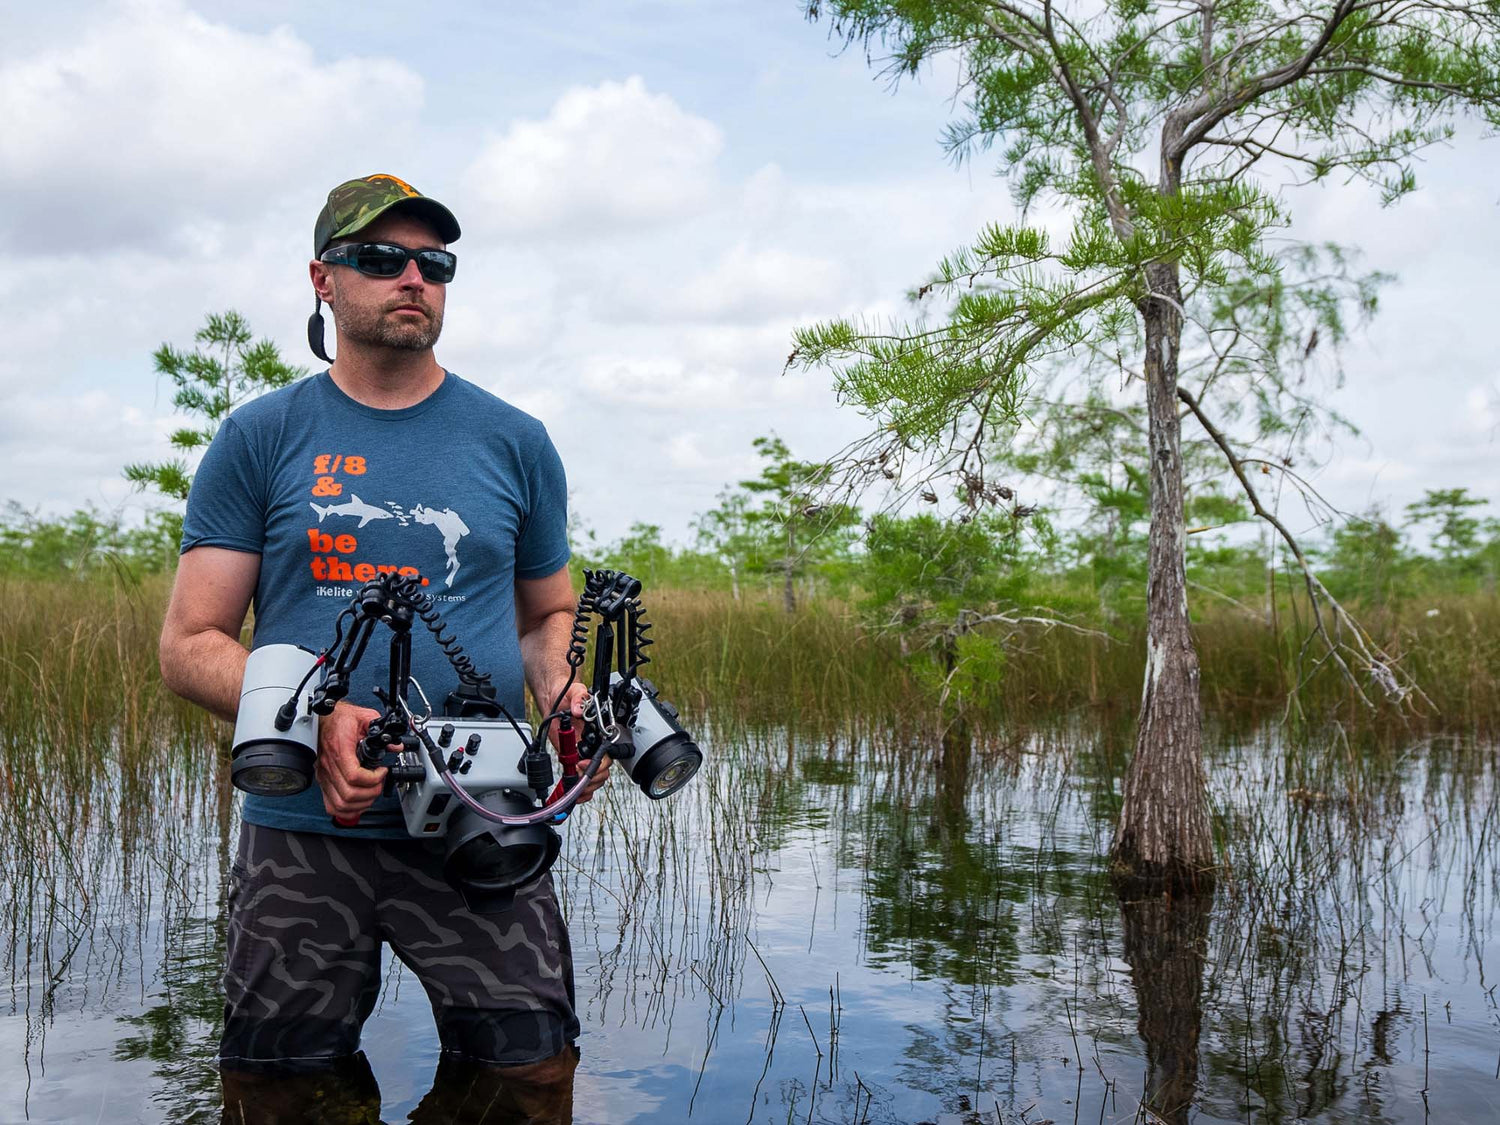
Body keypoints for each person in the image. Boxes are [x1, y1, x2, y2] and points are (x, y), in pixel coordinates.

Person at [158, 173, 608, 1118]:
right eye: (380, 257)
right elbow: (191, 641)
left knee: (527, 1077)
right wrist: (317, 716)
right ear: (324, 278)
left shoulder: (515, 440)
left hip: (484, 816)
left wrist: (568, 699)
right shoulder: (261, 436)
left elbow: (544, 618)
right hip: (303, 837)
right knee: (277, 1088)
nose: (412, 277)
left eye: (432, 262)